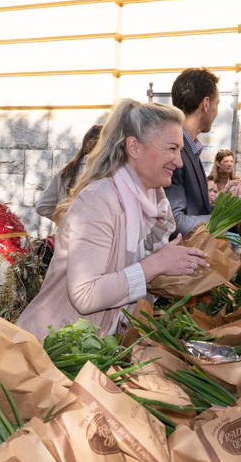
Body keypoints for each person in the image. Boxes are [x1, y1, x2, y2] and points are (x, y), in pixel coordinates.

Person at [17, 99, 210, 339]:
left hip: (99, 348)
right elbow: (85, 295)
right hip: (53, 349)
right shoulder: (99, 200)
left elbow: (142, 277)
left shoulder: (156, 200)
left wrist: (185, 263)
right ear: (134, 147)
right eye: (171, 149)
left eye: (180, 150)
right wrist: (158, 264)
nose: (179, 161)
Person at [165, 68, 241, 237]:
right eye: (217, 103)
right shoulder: (175, 152)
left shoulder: (189, 147)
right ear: (205, 104)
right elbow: (175, 223)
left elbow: (199, 210)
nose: (216, 111)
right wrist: (236, 216)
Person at [36, 124, 103, 222]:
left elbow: (42, 207)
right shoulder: (108, 172)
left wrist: (64, 220)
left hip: (66, 235)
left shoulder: (65, 171)